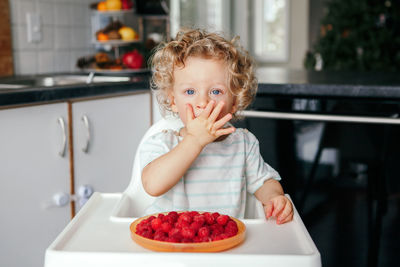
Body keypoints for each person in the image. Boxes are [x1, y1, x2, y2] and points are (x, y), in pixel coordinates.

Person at [138, 28, 293, 224]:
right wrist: (194, 141)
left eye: (216, 92)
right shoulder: (163, 142)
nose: (202, 102)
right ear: (173, 101)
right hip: (173, 245)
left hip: (225, 244)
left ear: (235, 101)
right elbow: (152, 185)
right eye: (190, 91)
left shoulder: (243, 144)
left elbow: (263, 182)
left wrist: (274, 198)